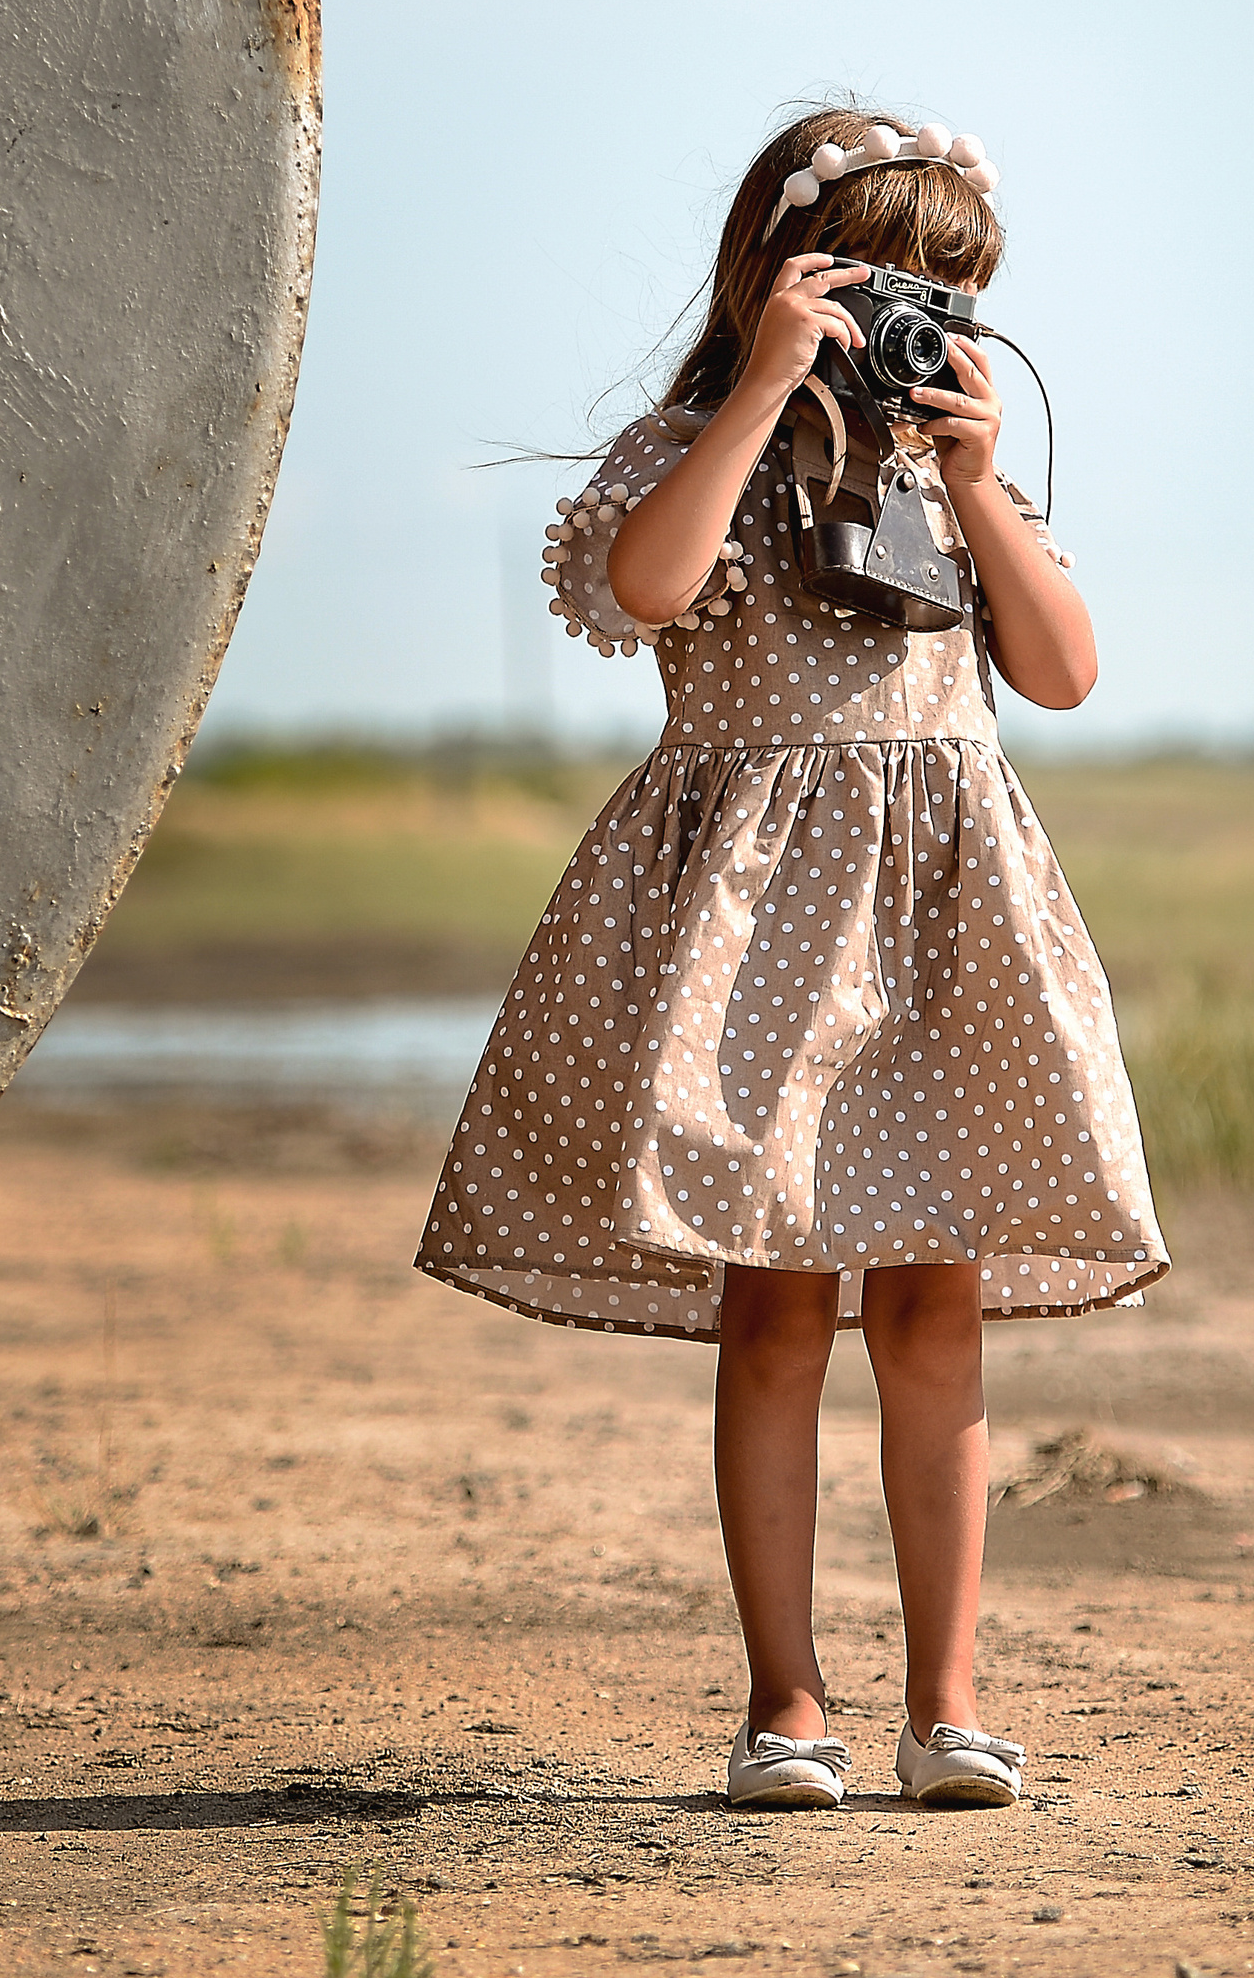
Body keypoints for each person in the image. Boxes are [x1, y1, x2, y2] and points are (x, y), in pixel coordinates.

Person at [415, 102, 1168, 1812]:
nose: (913, 327)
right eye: (875, 286)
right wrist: (760, 389)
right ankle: (788, 1707)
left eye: (947, 298)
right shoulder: (700, 447)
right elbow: (646, 588)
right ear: (775, 276)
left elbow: (1061, 674)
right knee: (773, 1318)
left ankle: (949, 1706)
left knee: (936, 1317)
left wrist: (978, 485)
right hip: (756, 945)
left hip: (936, 936)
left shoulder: (953, 475)